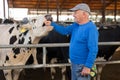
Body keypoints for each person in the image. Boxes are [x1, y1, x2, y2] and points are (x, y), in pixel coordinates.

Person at [44, 3, 99, 80]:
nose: (73, 15)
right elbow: (64, 31)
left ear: (84, 14)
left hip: (83, 66)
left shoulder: (91, 28)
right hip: (73, 63)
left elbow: (93, 49)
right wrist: (52, 24)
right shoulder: (76, 25)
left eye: (76, 12)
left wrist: (88, 66)